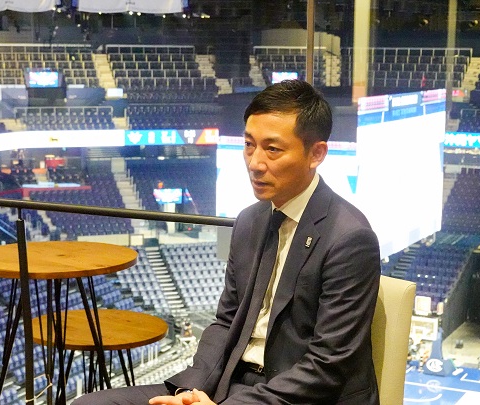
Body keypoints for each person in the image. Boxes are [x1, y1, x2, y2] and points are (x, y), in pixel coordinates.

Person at [74, 80, 381, 405]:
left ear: (316, 154)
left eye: (272, 149)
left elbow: (327, 365)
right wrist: (188, 393)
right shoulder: (250, 221)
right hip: (230, 384)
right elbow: (226, 322)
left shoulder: (349, 238)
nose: (254, 163)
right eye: (249, 145)